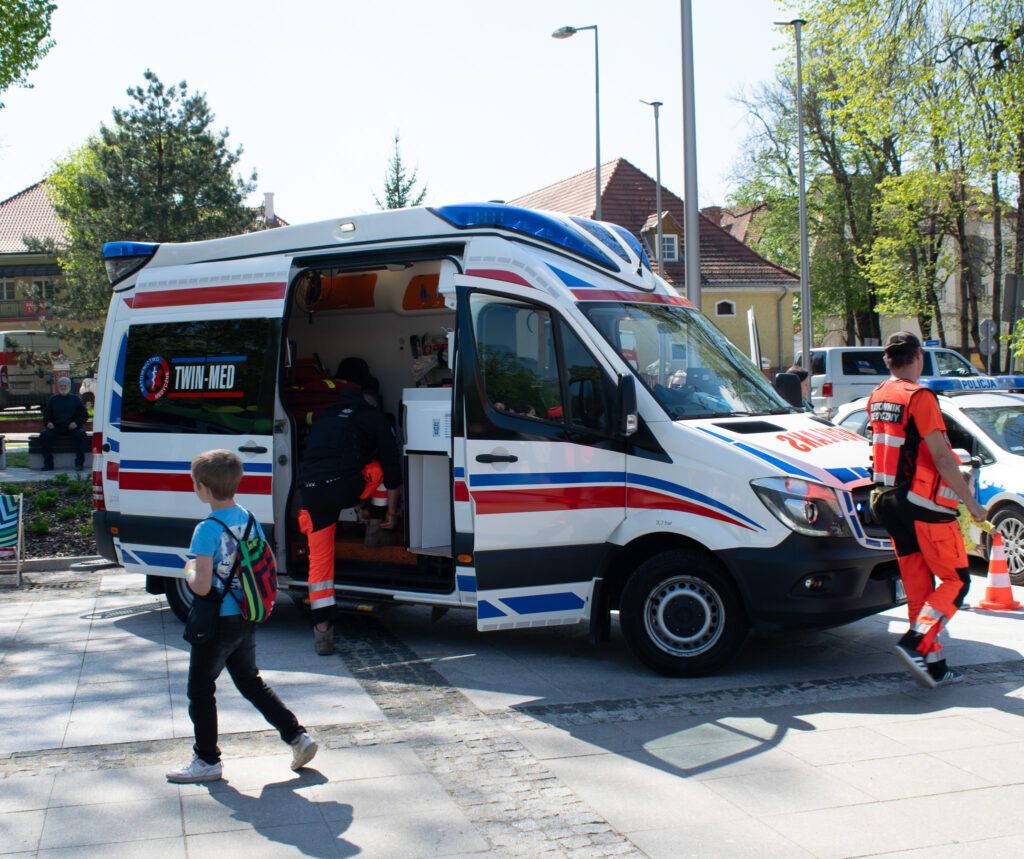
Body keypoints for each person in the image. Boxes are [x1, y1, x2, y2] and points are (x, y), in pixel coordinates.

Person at [166, 449, 317, 783]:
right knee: (250, 681)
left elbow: (202, 586)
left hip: (216, 621)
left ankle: (207, 760)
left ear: (202, 488)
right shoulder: (248, 518)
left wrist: (188, 569)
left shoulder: (206, 530)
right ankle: (298, 737)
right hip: (245, 614)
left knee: (201, 689)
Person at [867, 331, 987, 689]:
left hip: (885, 500)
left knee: (920, 585)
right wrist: (971, 502)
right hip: (920, 501)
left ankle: (932, 664)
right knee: (956, 581)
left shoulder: (877, 396)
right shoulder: (919, 396)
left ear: (888, 361)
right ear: (919, 356)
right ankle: (916, 643)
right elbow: (940, 457)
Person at [298, 362, 402, 656]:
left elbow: (332, 457)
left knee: (320, 565)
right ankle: (376, 525)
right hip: (346, 487)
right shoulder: (374, 418)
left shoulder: (325, 416)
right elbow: (392, 473)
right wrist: (391, 514)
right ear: (371, 399)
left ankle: (322, 632)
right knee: (379, 469)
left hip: (313, 492)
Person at [40, 376, 88, 471]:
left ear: (69, 386)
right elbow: (46, 415)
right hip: (56, 427)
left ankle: (79, 464)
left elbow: (84, 415)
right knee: (44, 435)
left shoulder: (76, 399)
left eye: (64, 385)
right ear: (58, 387)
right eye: (61, 386)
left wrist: (76, 423)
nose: (62, 387)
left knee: (82, 435)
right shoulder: (53, 400)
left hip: (72, 427)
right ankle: (48, 464)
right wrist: (48, 422)